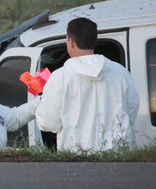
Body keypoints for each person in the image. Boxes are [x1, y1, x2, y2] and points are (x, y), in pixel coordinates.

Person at [36, 17, 139, 152]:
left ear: (71, 41)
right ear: (94, 41)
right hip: (117, 157)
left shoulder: (60, 77)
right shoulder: (120, 72)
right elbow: (132, 110)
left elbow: (48, 123)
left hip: (76, 159)